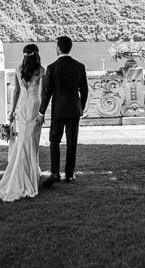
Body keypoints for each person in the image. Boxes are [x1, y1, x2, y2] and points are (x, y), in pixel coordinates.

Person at [0, 43, 44, 201]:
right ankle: (30, 175)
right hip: (34, 108)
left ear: (24, 55)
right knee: (32, 142)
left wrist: (12, 111)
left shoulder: (18, 70)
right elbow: (41, 95)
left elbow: (16, 91)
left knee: (23, 141)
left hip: (22, 108)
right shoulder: (41, 71)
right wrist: (42, 112)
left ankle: (26, 172)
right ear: (37, 55)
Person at [38, 35, 89, 186]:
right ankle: (70, 174)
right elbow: (84, 90)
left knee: (54, 140)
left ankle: (55, 173)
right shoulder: (79, 66)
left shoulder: (52, 67)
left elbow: (47, 93)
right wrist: (82, 106)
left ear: (59, 48)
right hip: (74, 110)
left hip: (59, 110)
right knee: (72, 141)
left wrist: (41, 111)